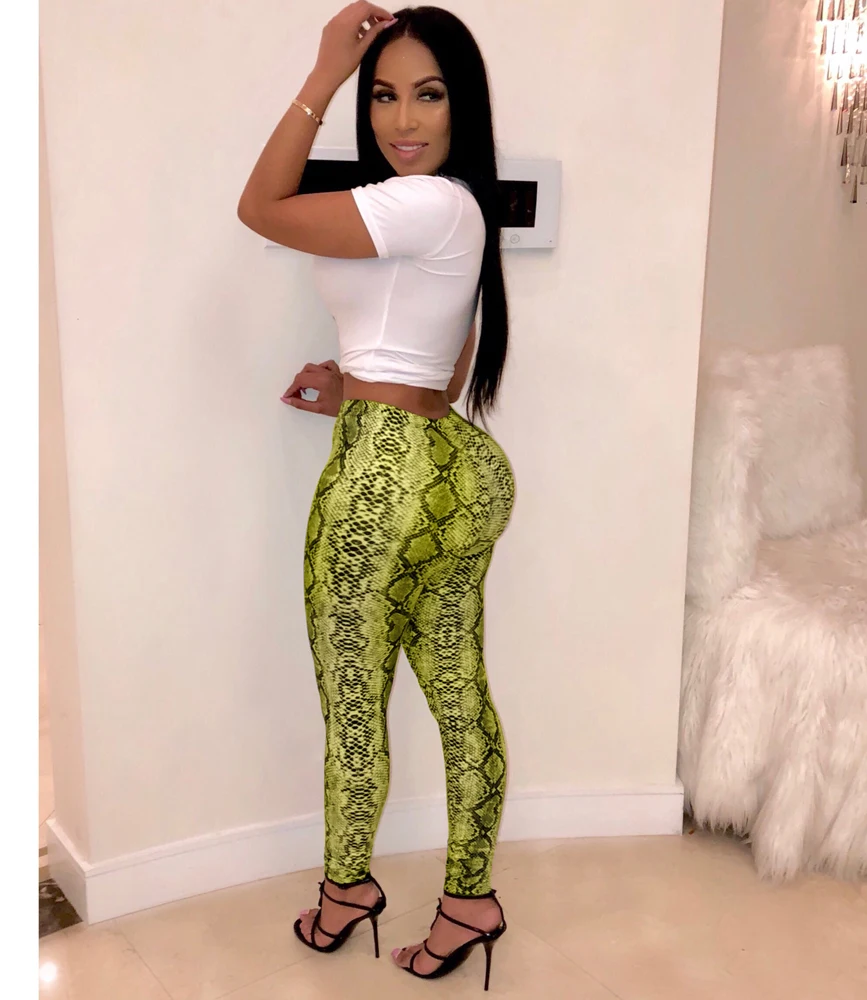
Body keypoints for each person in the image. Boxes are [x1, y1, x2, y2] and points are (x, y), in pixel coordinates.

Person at [237, 3, 514, 989]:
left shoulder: (419, 201)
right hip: (458, 468)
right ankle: (469, 901)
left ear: (461, 105)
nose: (402, 119)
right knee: (460, 697)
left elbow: (261, 206)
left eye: (427, 95)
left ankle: (345, 892)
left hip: (379, 481)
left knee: (356, 713)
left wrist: (327, 72)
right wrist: (349, 383)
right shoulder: (462, 210)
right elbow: (443, 373)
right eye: (382, 95)